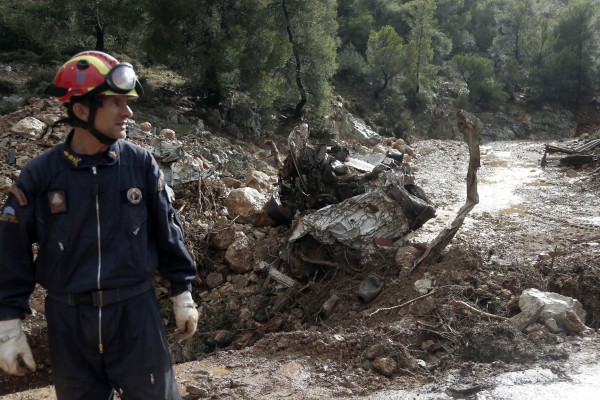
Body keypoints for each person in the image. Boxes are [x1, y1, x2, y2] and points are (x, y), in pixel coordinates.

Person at [0, 50, 199, 399]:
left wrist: (182, 290)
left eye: (128, 102)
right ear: (81, 110)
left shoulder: (140, 165)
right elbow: (10, 249)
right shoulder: (40, 175)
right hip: (69, 322)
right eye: (117, 103)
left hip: (135, 315)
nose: (129, 112)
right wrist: (8, 323)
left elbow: (167, 231)